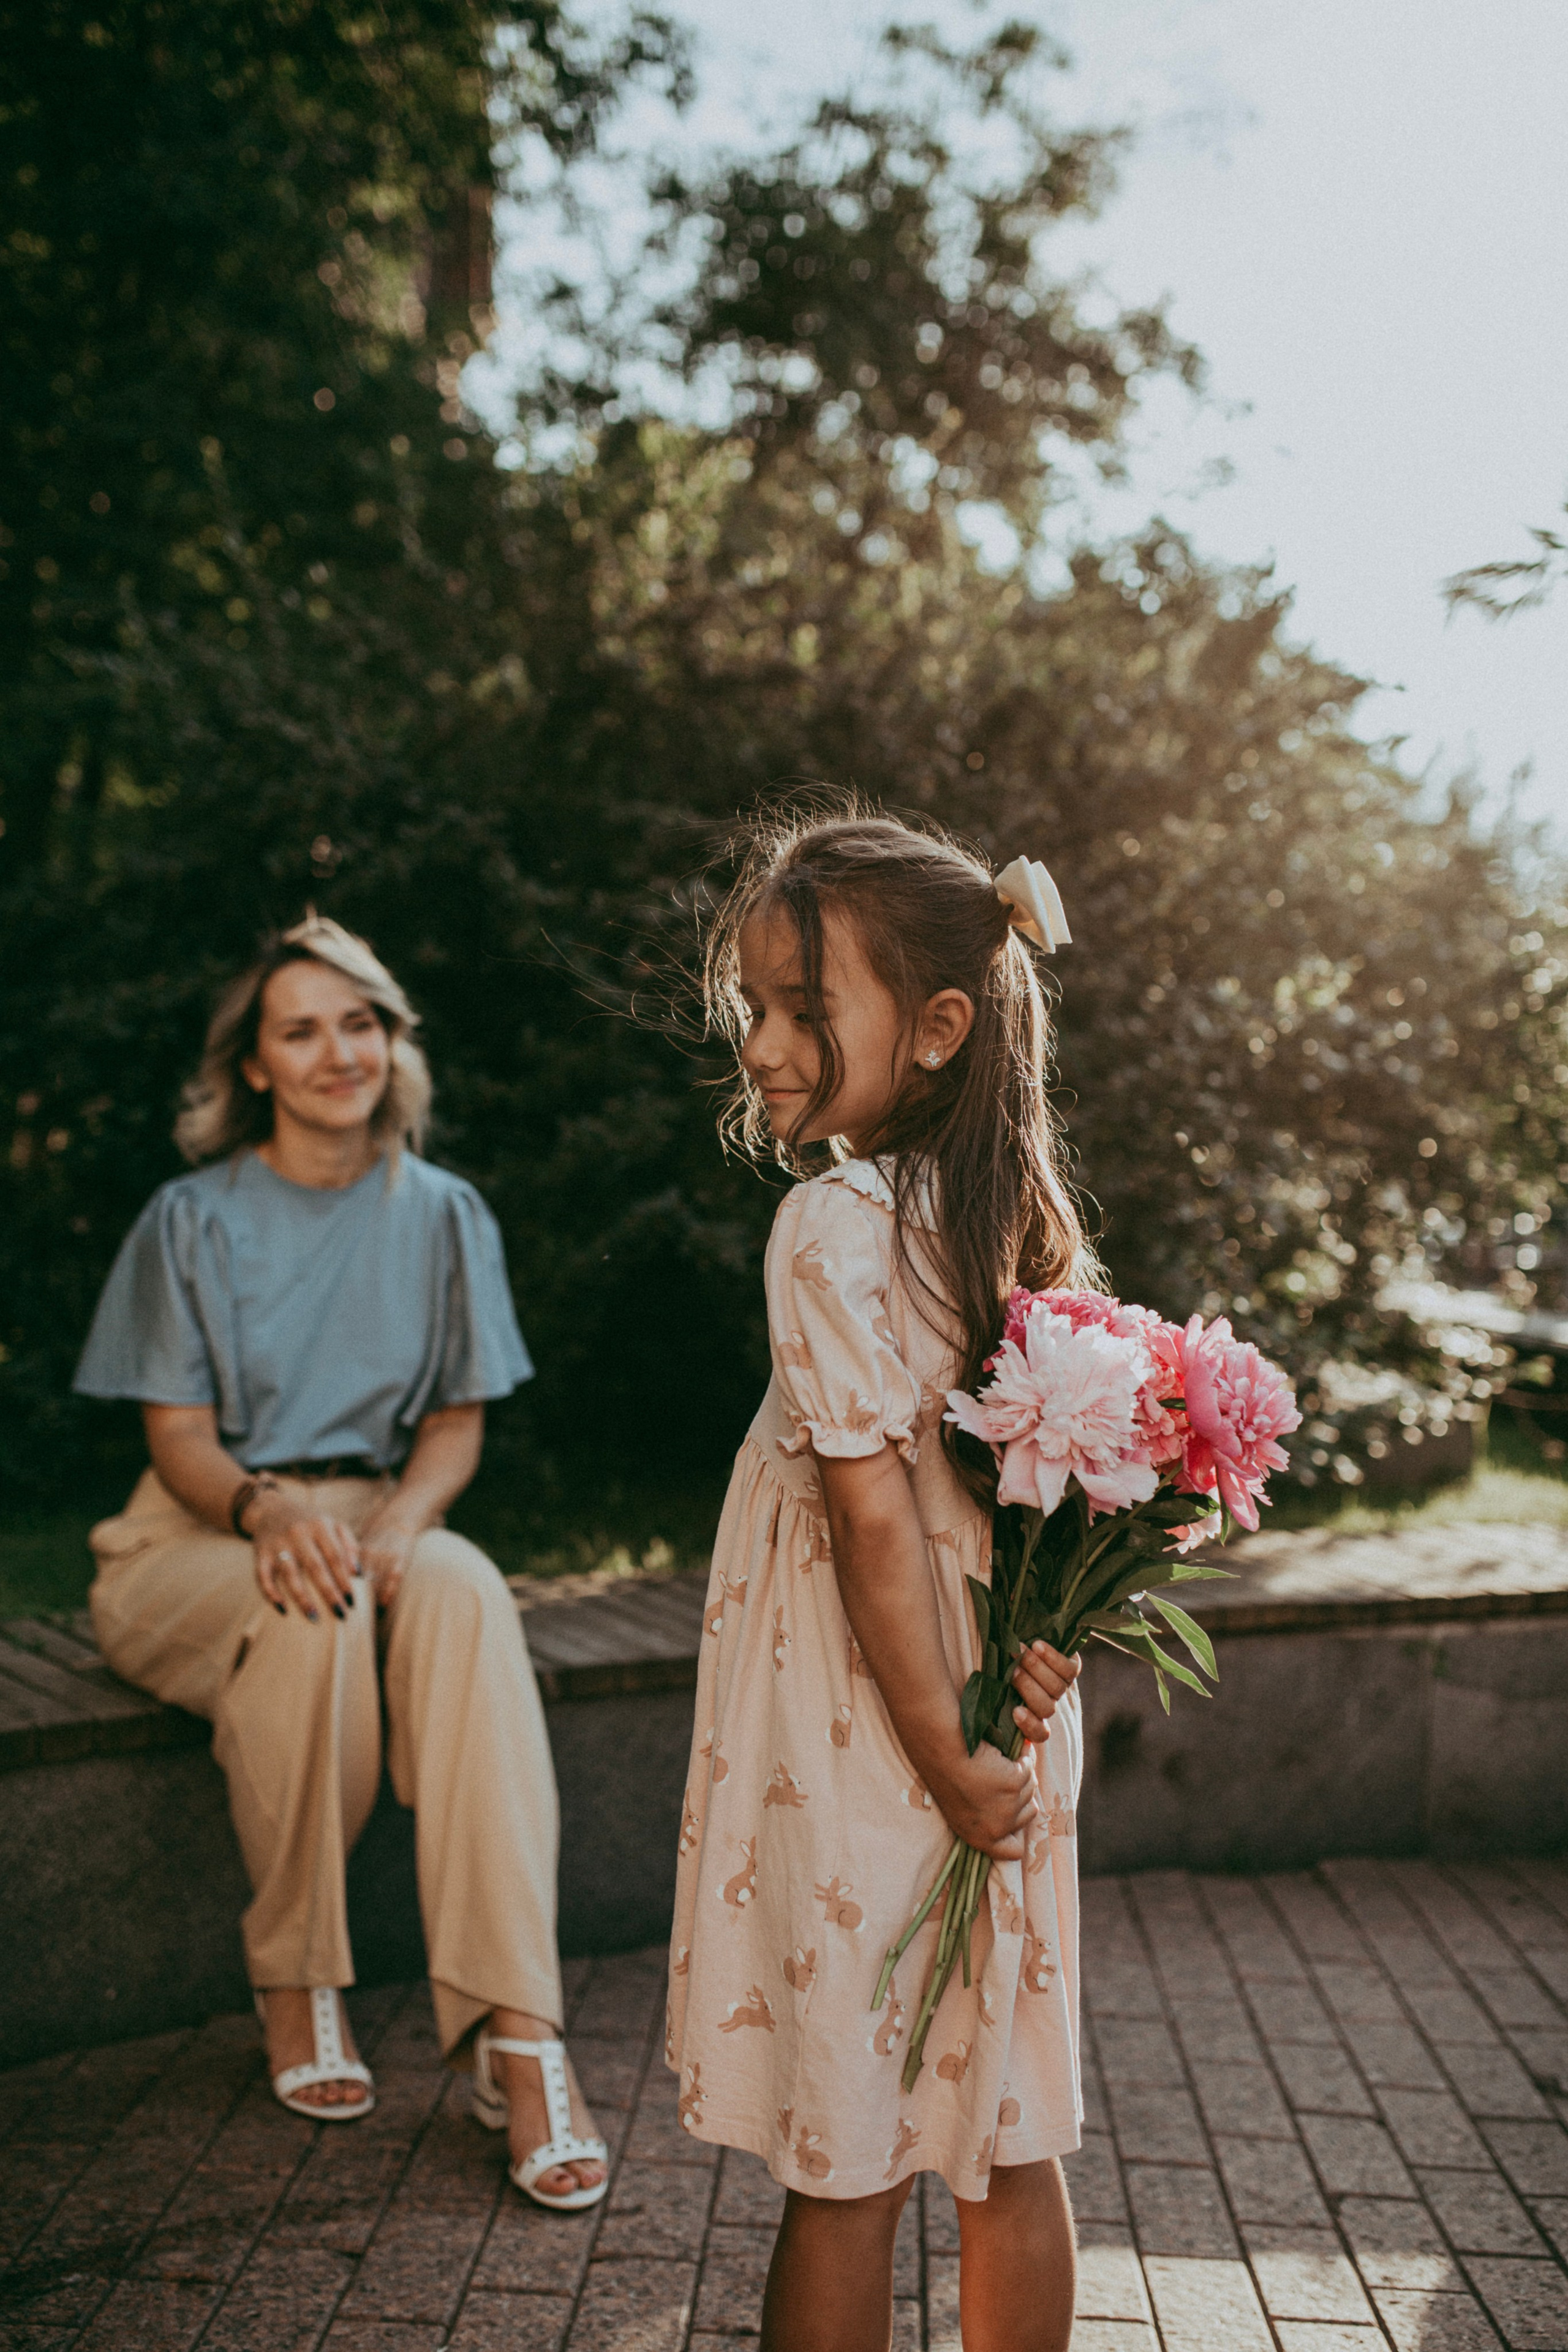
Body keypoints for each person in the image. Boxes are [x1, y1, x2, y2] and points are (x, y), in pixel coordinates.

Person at [74, 913, 606, 2211]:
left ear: (392, 1039)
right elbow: (180, 1440)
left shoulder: (442, 1213)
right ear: (252, 1065)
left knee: (472, 1594)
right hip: (205, 1527)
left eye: (358, 1022)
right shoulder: (188, 1219)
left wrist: (408, 1522)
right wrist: (270, 1515)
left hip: (381, 1516)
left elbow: (454, 1426)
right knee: (305, 1612)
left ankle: (515, 2033)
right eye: (299, 1030)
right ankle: (297, 1975)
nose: (335, 1053)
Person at [667, 811, 1093, 2352]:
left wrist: (938, 1758)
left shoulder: (830, 1226)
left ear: (934, 1030)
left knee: (846, 2159)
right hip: (994, 1710)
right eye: (753, 1011)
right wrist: (1005, 1728)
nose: (763, 1047)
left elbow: (873, 1529)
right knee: (1005, 2128)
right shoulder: (1010, 1222)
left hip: (874, 1734)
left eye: (800, 1008)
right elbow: (1028, 1516)